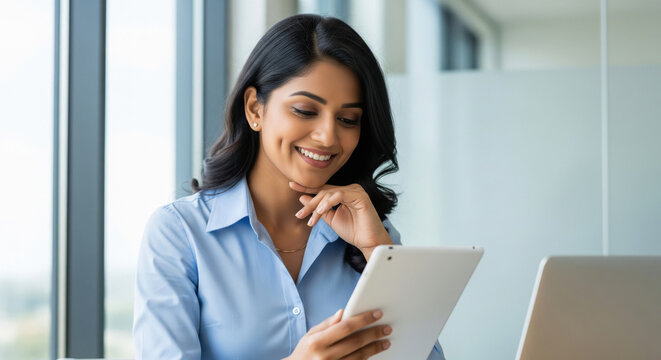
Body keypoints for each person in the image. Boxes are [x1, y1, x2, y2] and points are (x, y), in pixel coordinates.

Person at [133, 14, 445, 360]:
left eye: (347, 119)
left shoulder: (372, 234)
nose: (328, 136)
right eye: (304, 110)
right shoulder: (180, 234)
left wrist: (378, 251)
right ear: (255, 108)